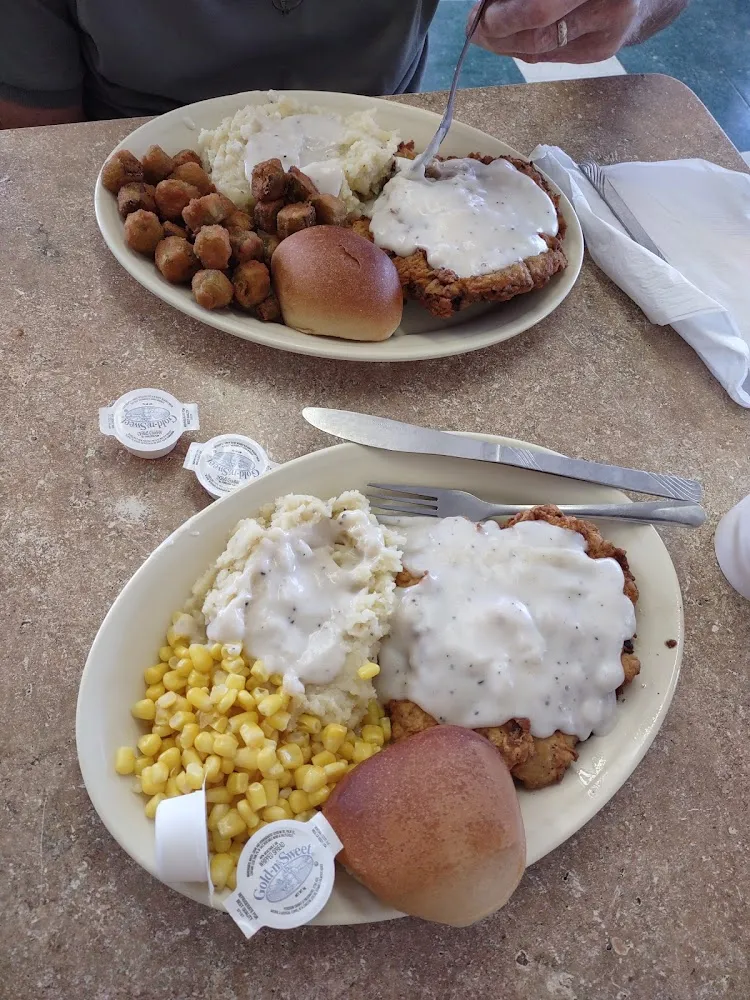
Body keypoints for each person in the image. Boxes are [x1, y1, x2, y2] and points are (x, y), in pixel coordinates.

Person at [1, 0, 688, 129]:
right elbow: (37, 163)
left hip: (387, 153)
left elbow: (662, 4)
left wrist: (627, 6)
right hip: (131, 172)